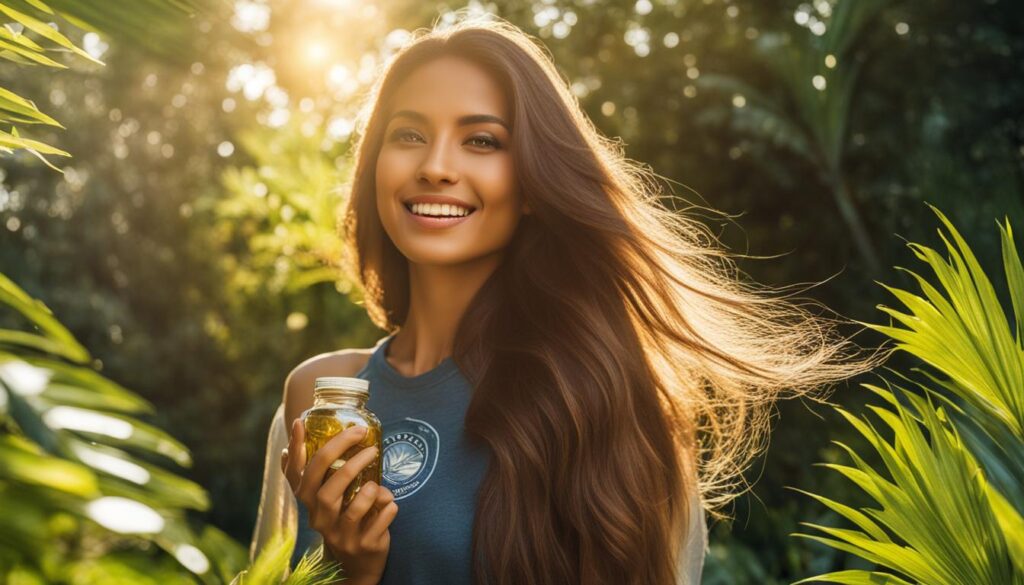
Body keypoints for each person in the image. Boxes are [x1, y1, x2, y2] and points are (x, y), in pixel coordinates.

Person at [249, 13, 881, 585]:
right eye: (409, 134)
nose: (435, 166)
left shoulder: (599, 400)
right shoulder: (321, 397)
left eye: (482, 140)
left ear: (532, 181)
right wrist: (352, 574)